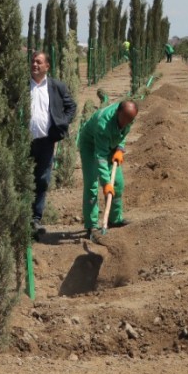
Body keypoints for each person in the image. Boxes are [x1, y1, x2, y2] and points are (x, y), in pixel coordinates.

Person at [27, 52, 77, 235]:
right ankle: (22, 215)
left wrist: (62, 122)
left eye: (39, 62)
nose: (35, 65)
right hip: (25, 142)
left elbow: (71, 106)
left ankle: (35, 218)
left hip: (46, 141)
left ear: (47, 66)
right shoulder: (23, 86)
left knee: (42, 179)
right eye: (33, 61)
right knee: (23, 179)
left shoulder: (56, 86)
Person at [79, 98, 138, 240]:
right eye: (123, 119)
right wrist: (105, 183)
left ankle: (114, 219)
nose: (125, 123)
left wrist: (120, 148)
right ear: (118, 112)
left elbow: (123, 132)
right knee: (92, 184)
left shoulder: (129, 117)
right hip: (91, 145)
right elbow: (100, 157)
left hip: (111, 144)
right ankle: (92, 225)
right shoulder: (103, 124)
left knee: (117, 183)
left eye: (128, 121)